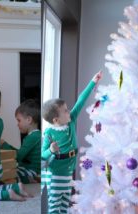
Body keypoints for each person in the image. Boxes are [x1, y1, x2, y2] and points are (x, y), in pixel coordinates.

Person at [41, 71, 102, 213]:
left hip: (68, 172)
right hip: (55, 174)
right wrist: (50, 150)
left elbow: (81, 101)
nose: (69, 112)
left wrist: (93, 82)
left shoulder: (70, 121)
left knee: (64, 205)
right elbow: (43, 156)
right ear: (56, 120)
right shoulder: (50, 133)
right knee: (55, 206)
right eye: (65, 111)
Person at [1, 99, 41, 184]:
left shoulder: (32, 137)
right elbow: (20, 153)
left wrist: (4, 144)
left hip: (32, 170)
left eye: (19, 120)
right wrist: (5, 144)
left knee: (8, 174)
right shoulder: (36, 135)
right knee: (11, 169)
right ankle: (32, 178)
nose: (17, 124)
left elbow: (17, 157)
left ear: (29, 120)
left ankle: (29, 179)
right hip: (32, 168)